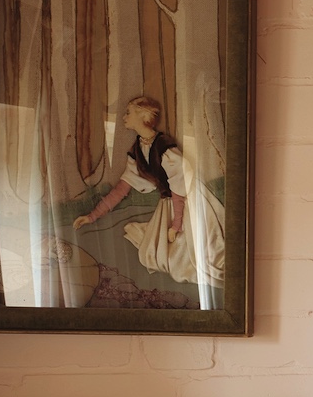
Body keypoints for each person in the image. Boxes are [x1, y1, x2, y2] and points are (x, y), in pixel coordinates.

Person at [74, 95, 224, 294]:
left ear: (143, 116)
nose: (124, 117)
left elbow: (179, 189)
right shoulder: (137, 150)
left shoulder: (165, 147)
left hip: (189, 202)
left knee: (189, 259)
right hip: (169, 201)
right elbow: (121, 189)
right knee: (153, 254)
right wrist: (92, 216)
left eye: (129, 112)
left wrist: (176, 225)